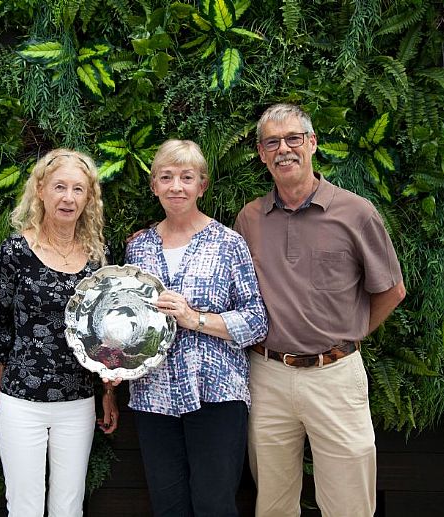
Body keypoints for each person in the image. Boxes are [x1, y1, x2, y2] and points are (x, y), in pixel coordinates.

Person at [234, 103, 407, 517]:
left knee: (349, 505)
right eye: (272, 142)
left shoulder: (356, 212)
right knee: (273, 504)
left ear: (312, 143)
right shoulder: (250, 219)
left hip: (336, 377)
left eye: (293, 138)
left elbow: (392, 290)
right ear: (261, 154)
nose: (284, 149)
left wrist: (348, 337)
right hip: (268, 376)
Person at [126, 139, 268, 516]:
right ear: (154, 186)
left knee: (214, 505)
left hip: (216, 394)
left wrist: (195, 319)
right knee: (168, 506)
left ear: (202, 186)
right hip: (153, 394)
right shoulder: (138, 249)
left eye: (187, 177)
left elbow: (256, 320)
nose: (176, 186)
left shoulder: (229, 244)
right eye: (166, 177)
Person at [0, 149, 118, 517]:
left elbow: (106, 333)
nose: (68, 198)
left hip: (77, 401)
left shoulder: (98, 257)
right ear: (41, 190)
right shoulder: (15, 251)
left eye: (78, 189)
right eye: (60, 187)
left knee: (69, 507)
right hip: (21, 401)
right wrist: (3, 384)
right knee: (24, 508)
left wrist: (108, 392)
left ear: (89, 198)